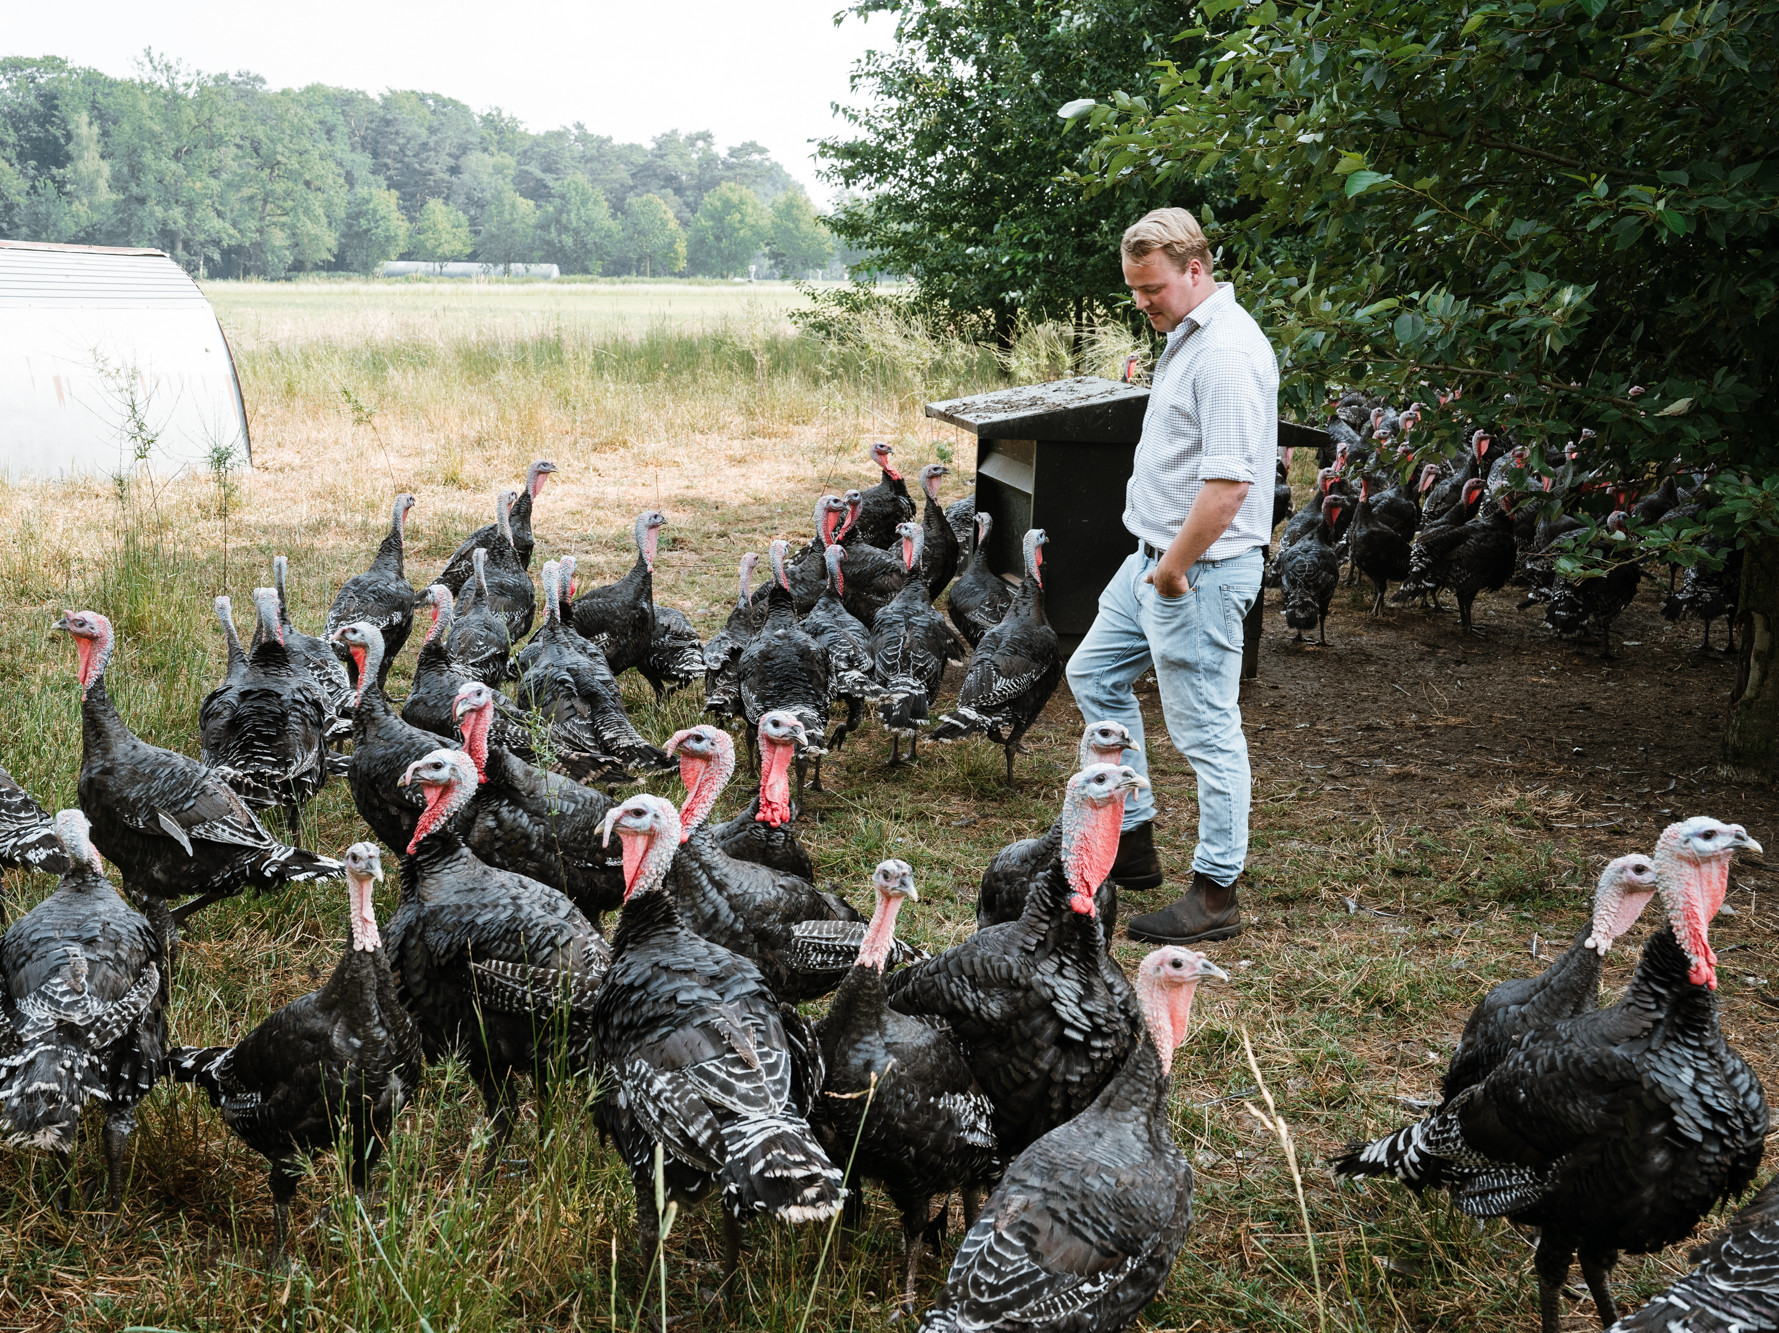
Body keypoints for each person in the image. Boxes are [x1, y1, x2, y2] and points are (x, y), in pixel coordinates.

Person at [1065, 207, 1278, 945]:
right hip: (1149, 560)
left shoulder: (1225, 352)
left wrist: (1173, 572)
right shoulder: (1185, 335)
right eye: (1132, 289)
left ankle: (1216, 894)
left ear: (1196, 269)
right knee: (1093, 673)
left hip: (1196, 572)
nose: (1141, 302)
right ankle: (1135, 835)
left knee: (1207, 733)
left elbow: (1227, 486)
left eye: (1151, 287)